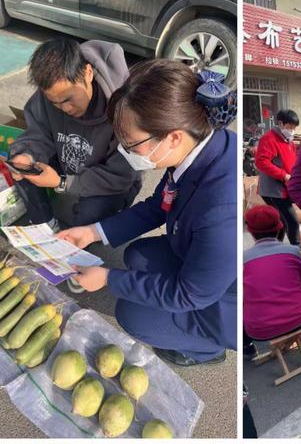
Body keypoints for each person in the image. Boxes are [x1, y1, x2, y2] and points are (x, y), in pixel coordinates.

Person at [57, 62, 237, 366]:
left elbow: (189, 294)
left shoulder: (222, 211)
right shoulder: (198, 150)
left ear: (173, 137)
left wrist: (108, 279)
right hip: (200, 261)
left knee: (134, 315)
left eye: (131, 145)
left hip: (223, 300)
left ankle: (206, 348)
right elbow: (159, 205)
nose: (125, 152)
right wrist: (92, 232)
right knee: (138, 255)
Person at [9, 38, 141, 232]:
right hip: (67, 166)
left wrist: (62, 182)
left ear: (88, 73)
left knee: (89, 213)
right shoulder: (51, 92)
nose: (65, 109)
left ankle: (85, 231)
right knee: (21, 166)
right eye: (55, 103)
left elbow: (120, 176)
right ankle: (45, 226)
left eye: (68, 99)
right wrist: (28, 155)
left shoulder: (123, 108)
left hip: (111, 180)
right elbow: (38, 135)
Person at [243, 205, 301, 357]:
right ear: (280, 227)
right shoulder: (292, 251)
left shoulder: (243, 260)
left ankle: (247, 348)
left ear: (250, 231)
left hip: (260, 330)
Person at [255, 109, 301, 245]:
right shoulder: (269, 138)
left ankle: (275, 248)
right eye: (289, 127)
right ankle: (297, 251)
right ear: (280, 124)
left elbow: (292, 161)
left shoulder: (289, 140)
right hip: (273, 189)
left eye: (294, 127)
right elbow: (261, 162)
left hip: (285, 186)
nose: (292, 130)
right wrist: (283, 175)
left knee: (280, 221)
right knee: (292, 220)